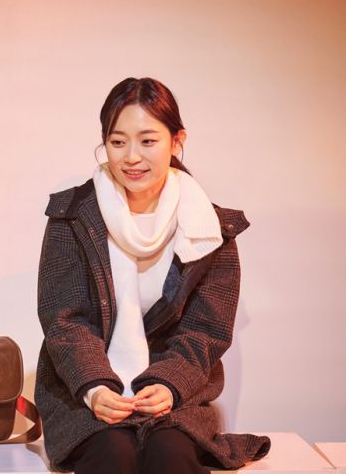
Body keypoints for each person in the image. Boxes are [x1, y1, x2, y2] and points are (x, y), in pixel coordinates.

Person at [34, 77, 270, 473]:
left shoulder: (211, 228)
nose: (131, 157)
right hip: (86, 394)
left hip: (176, 395)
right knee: (113, 453)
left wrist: (169, 384)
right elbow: (65, 320)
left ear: (177, 141)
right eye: (117, 142)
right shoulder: (70, 217)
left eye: (147, 141)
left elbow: (205, 330)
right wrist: (95, 387)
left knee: (169, 454)